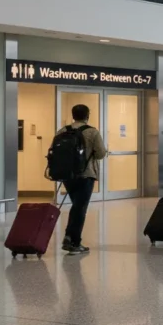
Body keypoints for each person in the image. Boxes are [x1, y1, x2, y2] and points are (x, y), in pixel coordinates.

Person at [58, 104, 107, 255]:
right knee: (80, 208)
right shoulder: (92, 132)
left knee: (76, 206)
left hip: (68, 175)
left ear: (73, 115)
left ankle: (69, 237)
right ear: (87, 116)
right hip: (86, 175)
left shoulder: (63, 130)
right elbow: (101, 153)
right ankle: (74, 242)